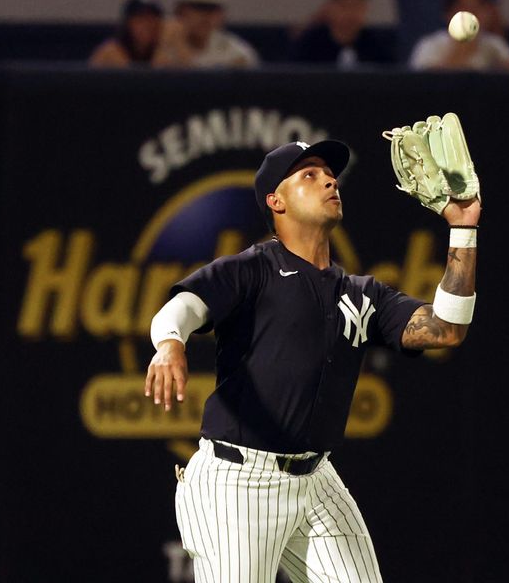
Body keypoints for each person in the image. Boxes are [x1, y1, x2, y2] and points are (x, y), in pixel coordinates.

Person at [145, 135, 481, 581]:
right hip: (236, 482)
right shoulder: (252, 269)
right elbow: (183, 308)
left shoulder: (362, 294)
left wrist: (463, 227)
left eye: (330, 175)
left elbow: (447, 329)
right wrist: (170, 342)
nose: (328, 181)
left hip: (316, 478)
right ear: (276, 202)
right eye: (309, 175)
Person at [409, 0, 509, 71]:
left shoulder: (495, 44)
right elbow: (423, 83)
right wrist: (460, 53)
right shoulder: (430, 45)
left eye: (477, 8)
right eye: (463, 7)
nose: (470, 14)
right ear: (448, 14)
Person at [153, 0, 259, 68]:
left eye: (212, 9)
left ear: (222, 14)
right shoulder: (166, 47)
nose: (205, 16)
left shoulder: (236, 55)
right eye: (199, 7)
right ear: (183, 11)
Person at [290, 0, 393, 68]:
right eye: (344, 6)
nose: (350, 14)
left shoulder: (374, 45)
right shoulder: (310, 44)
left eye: (357, 7)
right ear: (330, 7)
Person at [88, 0, 164, 67]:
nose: (147, 25)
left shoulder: (164, 56)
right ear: (128, 23)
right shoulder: (108, 54)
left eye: (152, 20)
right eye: (141, 19)